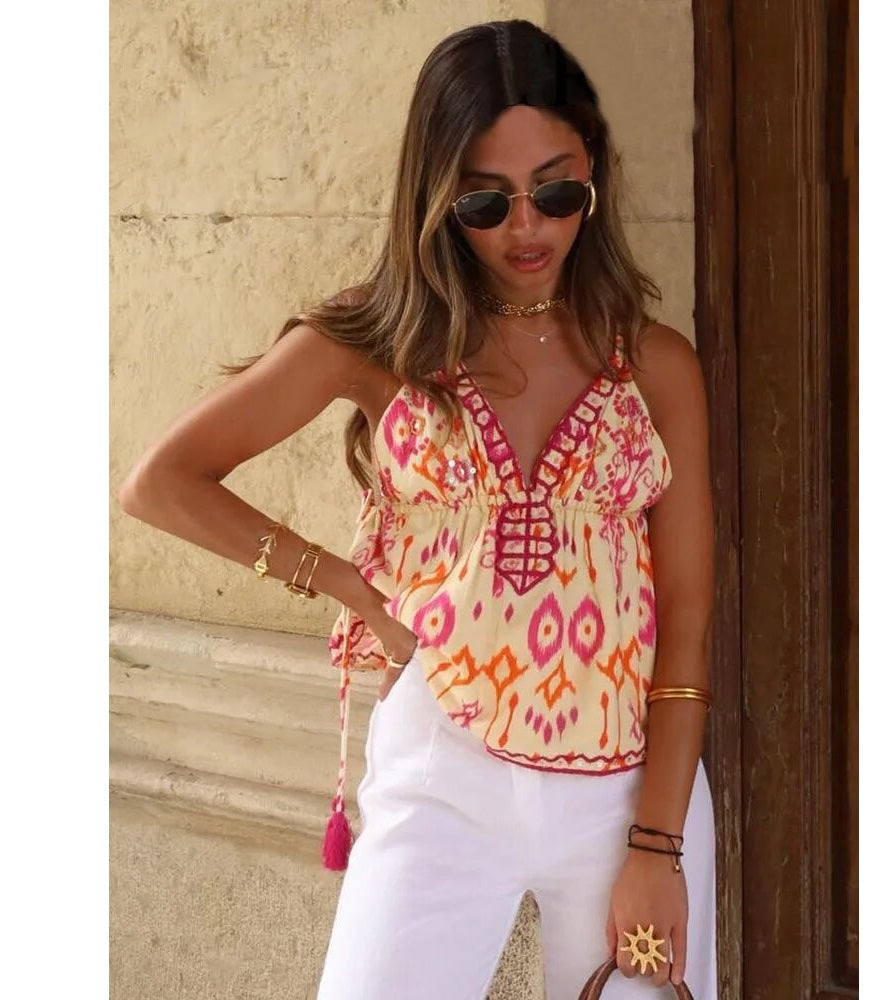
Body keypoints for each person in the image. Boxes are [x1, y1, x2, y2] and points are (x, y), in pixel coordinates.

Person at [118, 18, 717, 1000]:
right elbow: (162, 481)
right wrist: (344, 583)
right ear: (437, 196)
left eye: (556, 192)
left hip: (628, 792)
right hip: (443, 766)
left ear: (594, 174)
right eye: (485, 200)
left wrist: (658, 843)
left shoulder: (654, 364)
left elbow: (686, 615)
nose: (526, 228)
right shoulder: (378, 345)